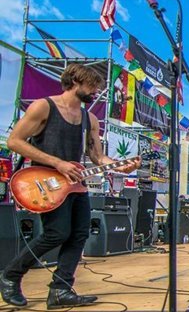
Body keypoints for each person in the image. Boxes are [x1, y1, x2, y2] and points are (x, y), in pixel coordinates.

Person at [0, 64, 141, 309]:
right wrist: (58, 163)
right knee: (56, 233)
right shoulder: (44, 106)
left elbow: (97, 157)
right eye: (93, 86)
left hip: (76, 185)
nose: (96, 91)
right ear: (75, 82)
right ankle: (10, 276)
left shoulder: (90, 118)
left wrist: (119, 165)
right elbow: (14, 141)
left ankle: (60, 290)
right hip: (46, 183)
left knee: (78, 234)